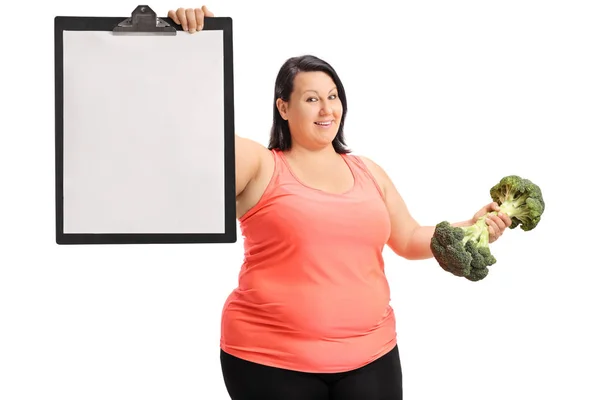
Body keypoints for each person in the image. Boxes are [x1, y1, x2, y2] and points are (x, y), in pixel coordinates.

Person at [168, 6, 513, 400]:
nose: (327, 108)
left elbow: (410, 237)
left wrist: (469, 225)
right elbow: (196, 140)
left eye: (333, 96)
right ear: (283, 107)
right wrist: (187, 45)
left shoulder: (367, 170)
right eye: (312, 98)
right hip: (269, 359)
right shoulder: (260, 163)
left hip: (372, 353)